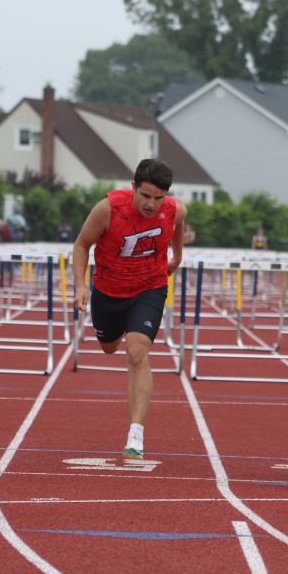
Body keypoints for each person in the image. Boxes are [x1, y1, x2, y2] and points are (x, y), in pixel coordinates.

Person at [72, 158, 186, 461]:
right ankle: (122, 324)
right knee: (109, 347)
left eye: (158, 198)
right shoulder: (108, 209)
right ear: (133, 187)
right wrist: (80, 285)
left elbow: (178, 223)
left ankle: (136, 433)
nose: (151, 204)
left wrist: (177, 257)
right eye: (145, 195)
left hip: (149, 288)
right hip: (109, 290)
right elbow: (81, 245)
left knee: (137, 351)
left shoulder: (174, 208)